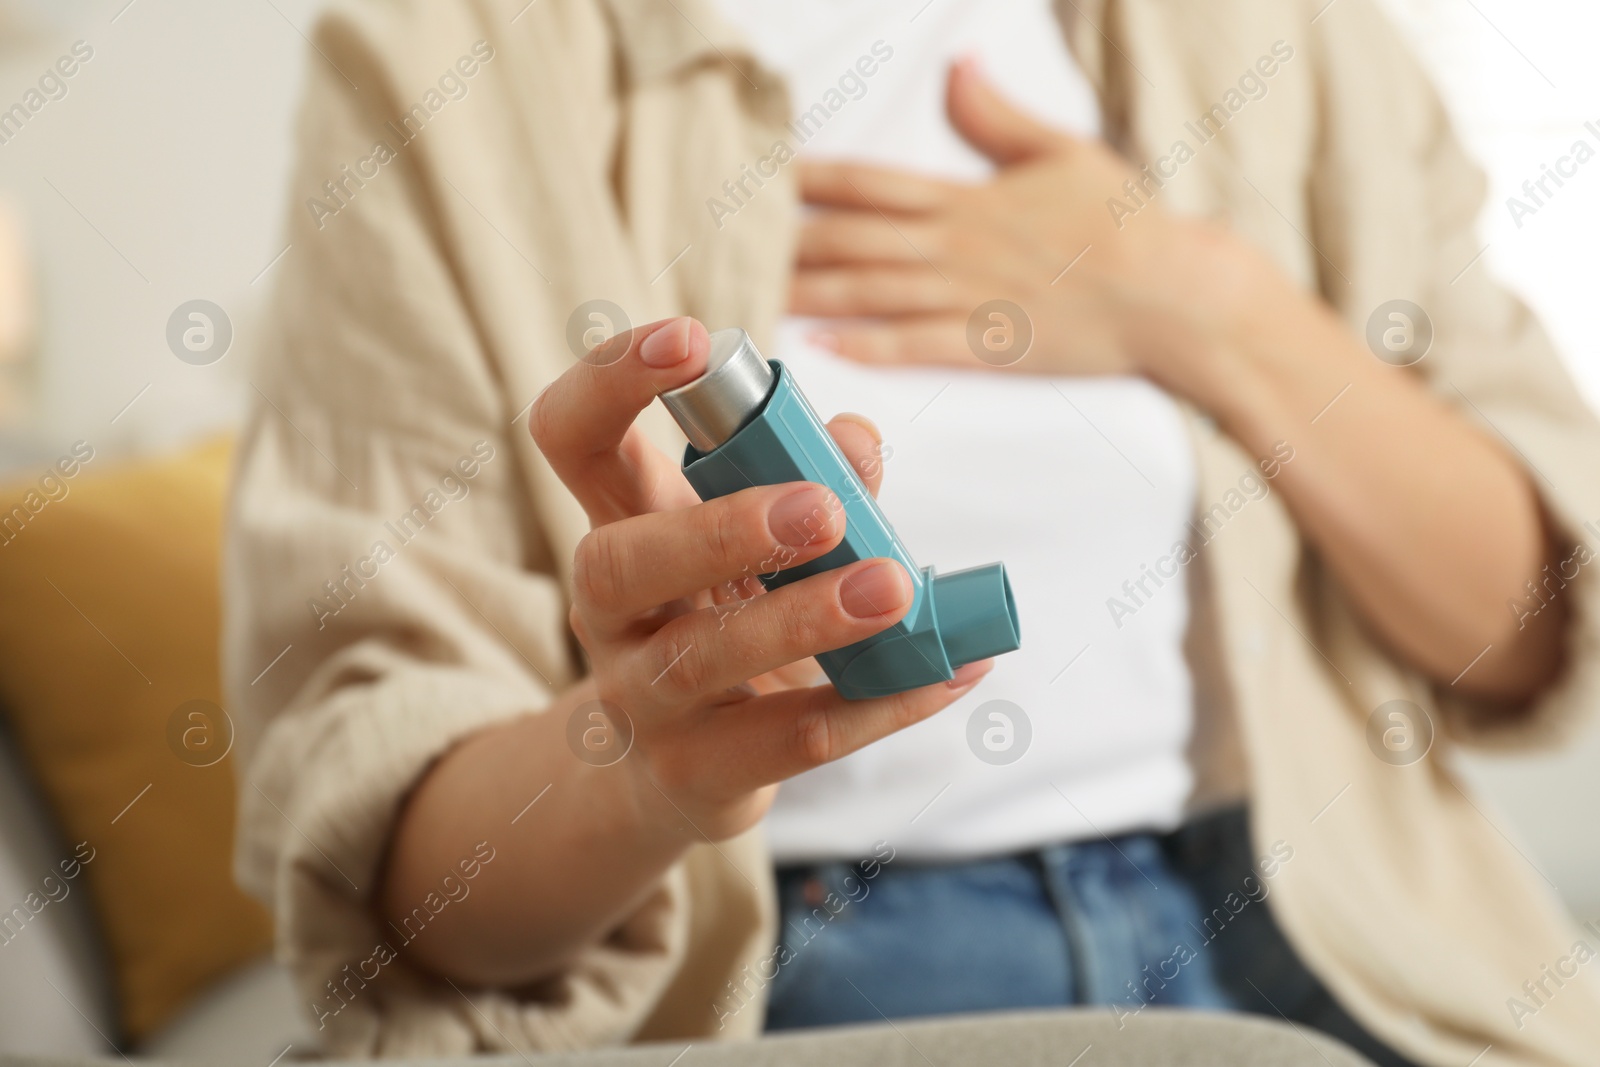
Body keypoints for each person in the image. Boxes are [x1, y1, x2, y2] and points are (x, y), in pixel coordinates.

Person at [224, 0, 1600, 1064]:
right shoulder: (450, 62)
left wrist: (1210, 308)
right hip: (826, 957)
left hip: (1333, 921)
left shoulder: (1283, 33)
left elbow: (1525, 628)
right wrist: (635, 773)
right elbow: (401, 897)